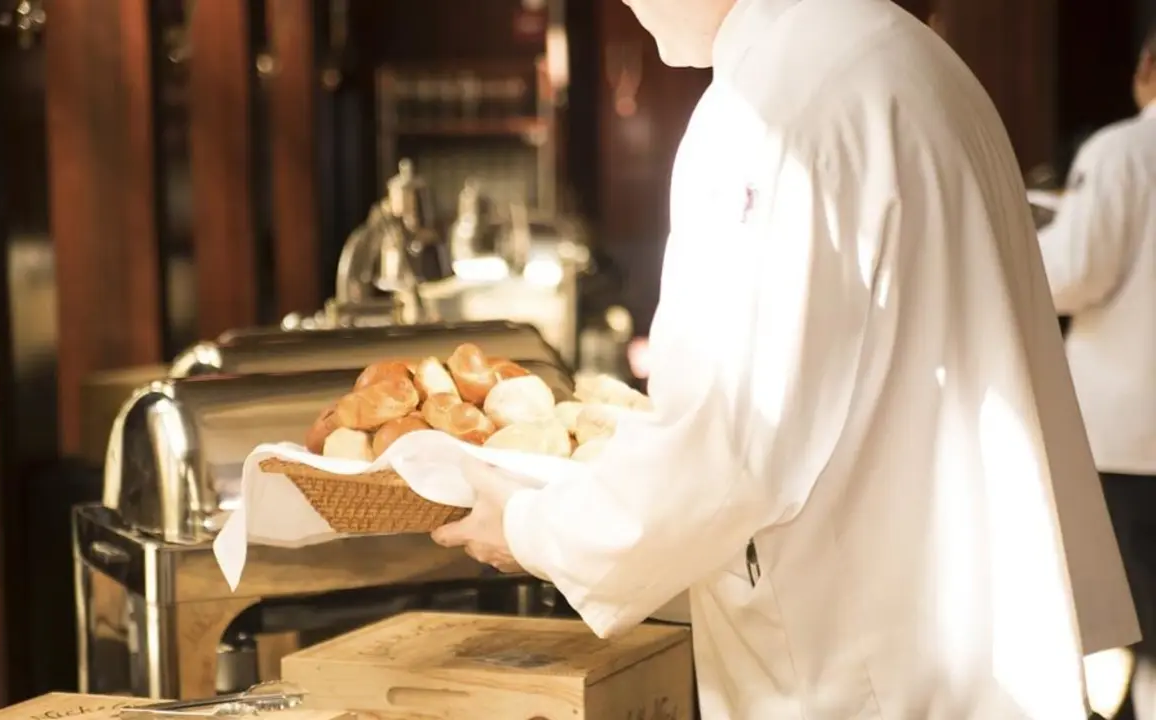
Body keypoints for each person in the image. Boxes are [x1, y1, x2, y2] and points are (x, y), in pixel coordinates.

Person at [432, 0, 1138, 716]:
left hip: (865, 670)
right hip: (959, 635)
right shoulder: (906, 54)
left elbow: (729, 447)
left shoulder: (770, 105)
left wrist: (531, 527)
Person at [1038, 26, 1156, 720]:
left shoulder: (1121, 151)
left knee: (1129, 629)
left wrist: (1030, 242)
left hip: (1125, 431)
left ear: (1148, 67)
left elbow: (1075, 271)